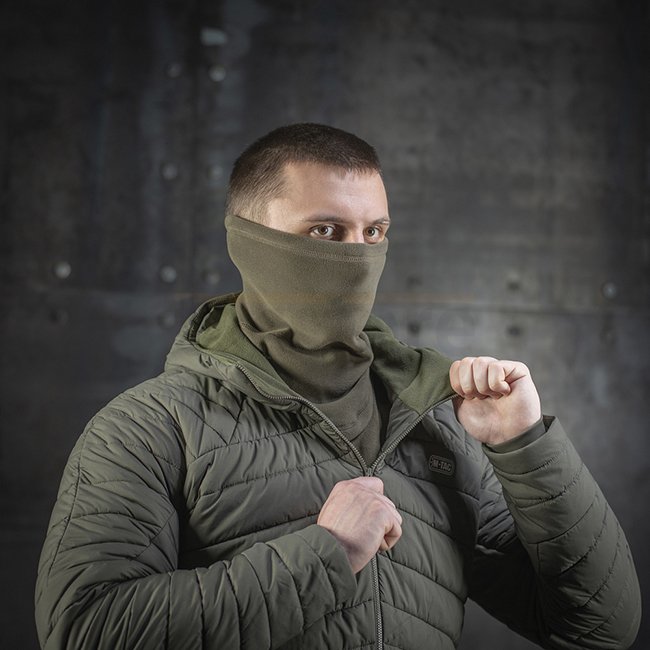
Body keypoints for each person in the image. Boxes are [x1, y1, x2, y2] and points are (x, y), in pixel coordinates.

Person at [35, 123, 641, 650]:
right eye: (325, 231)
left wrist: (524, 446)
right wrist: (326, 556)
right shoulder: (149, 427)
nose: (357, 256)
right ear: (247, 239)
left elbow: (597, 629)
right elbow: (84, 630)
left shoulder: (434, 425)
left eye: (373, 233)